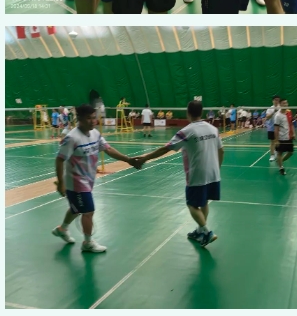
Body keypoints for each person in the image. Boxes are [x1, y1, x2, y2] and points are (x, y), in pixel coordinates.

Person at [131, 101, 222, 247]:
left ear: (188, 113)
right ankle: (200, 231)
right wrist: (217, 168)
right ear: (202, 112)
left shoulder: (186, 131)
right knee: (204, 201)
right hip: (214, 173)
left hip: (197, 174)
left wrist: (144, 158)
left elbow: (165, 149)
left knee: (192, 204)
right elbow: (221, 150)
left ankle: (206, 232)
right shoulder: (213, 129)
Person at [52, 104, 139, 252]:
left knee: (76, 209)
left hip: (89, 179)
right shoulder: (72, 138)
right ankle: (87, 243)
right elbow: (59, 160)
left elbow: (108, 149)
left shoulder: (95, 134)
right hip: (76, 182)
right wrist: (61, 183)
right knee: (88, 211)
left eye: (94, 117)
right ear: (79, 119)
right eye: (89, 118)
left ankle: (62, 229)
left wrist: (128, 160)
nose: (93, 121)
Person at [273, 99, 295, 175]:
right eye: (283, 103)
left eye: (286, 103)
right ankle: (281, 167)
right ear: (280, 104)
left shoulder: (289, 112)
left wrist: (293, 133)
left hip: (289, 136)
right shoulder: (278, 115)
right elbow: (276, 129)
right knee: (279, 153)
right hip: (281, 138)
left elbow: (291, 124)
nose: (285, 104)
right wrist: (276, 140)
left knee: (291, 152)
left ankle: (280, 161)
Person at [265, 96, 280, 162]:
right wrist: (274, 111)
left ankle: (276, 152)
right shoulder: (270, 108)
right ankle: (272, 155)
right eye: (275, 100)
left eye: (278, 100)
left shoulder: (281, 108)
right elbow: (267, 117)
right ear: (273, 101)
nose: (277, 101)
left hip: (279, 127)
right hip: (271, 127)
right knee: (272, 142)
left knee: (278, 141)